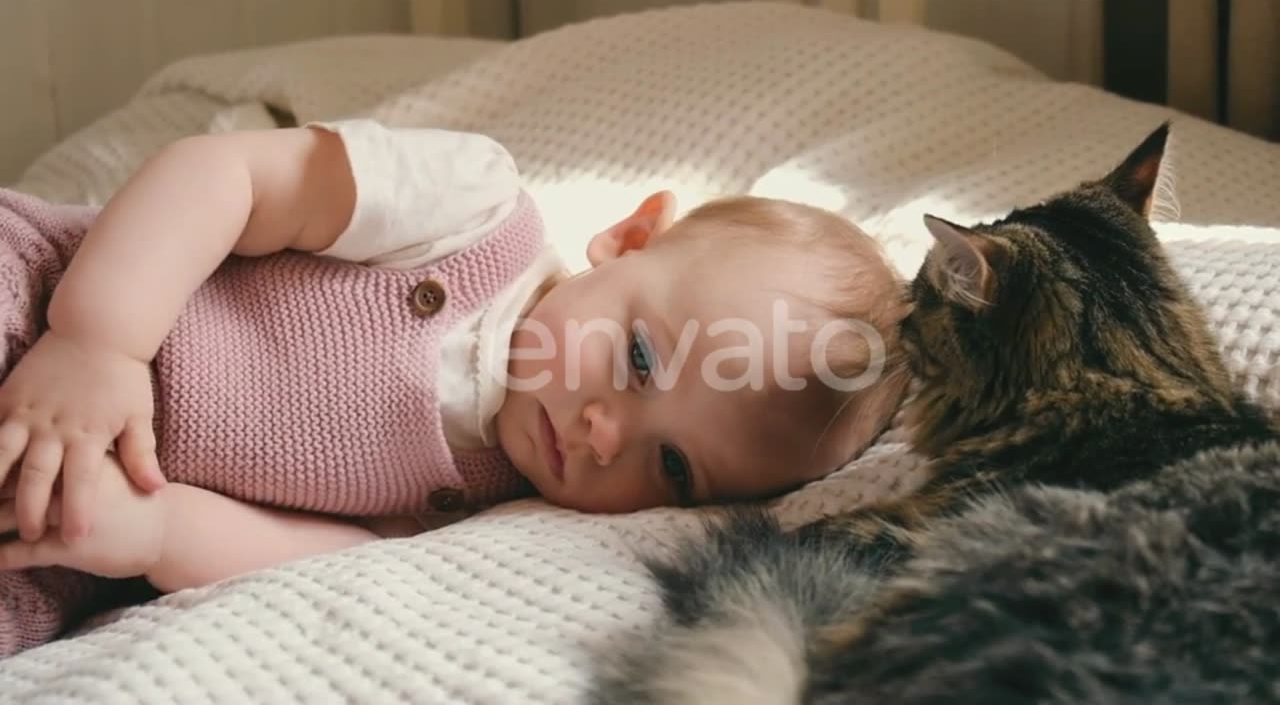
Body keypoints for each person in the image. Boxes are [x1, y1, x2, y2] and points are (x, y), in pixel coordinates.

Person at [0, 120, 909, 655]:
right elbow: (226, 172)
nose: (604, 437)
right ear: (630, 239)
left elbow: (319, 548)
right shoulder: (474, 212)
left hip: (91, 495)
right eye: (639, 358)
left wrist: (157, 530)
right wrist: (99, 340)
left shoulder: (484, 508)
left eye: (673, 467)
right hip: (49, 302)